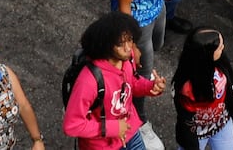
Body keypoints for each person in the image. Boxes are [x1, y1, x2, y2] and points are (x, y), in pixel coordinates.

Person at [64, 12, 164, 150]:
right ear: (106, 45)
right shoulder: (88, 81)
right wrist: (112, 128)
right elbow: (72, 125)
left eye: (130, 40)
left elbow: (132, 83)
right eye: (120, 44)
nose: (128, 48)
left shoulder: (126, 59)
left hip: (130, 132)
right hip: (102, 145)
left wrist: (150, 86)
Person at [171, 27, 233, 150]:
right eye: (219, 47)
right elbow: (187, 119)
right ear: (206, 55)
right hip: (197, 132)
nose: (223, 48)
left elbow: (232, 84)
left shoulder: (220, 61)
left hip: (222, 124)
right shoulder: (187, 87)